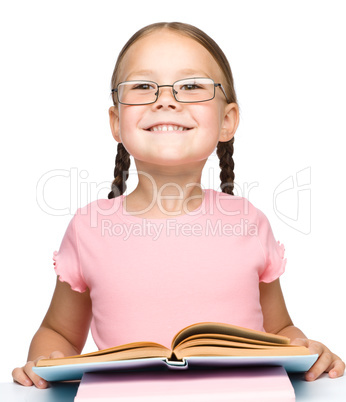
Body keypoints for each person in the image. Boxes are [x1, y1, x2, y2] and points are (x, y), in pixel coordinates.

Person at [12, 22, 345, 388]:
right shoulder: (88, 226)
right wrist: (44, 363)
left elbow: (279, 328)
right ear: (116, 123)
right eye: (142, 86)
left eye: (190, 86)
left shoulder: (250, 222)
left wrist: (303, 349)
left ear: (227, 121)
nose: (165, 99)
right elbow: (57, 331)